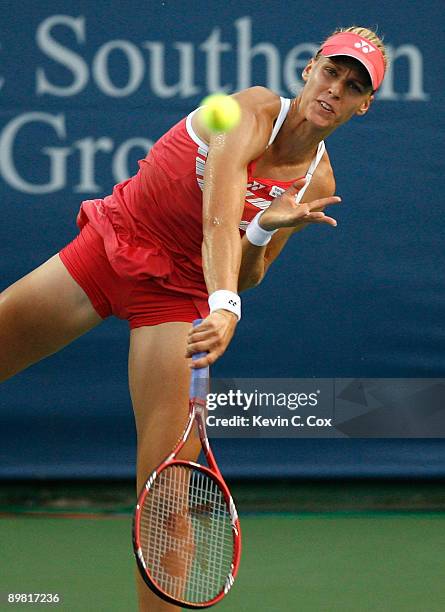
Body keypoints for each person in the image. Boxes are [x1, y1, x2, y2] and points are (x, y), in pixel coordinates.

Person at [0, 25, 387, 612]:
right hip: (115, 244)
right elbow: (218, 211)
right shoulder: (250, 109)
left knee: (168, 493)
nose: (336, 88)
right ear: (309, 68)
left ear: (364, 105)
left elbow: (251, 267)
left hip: (178, 297)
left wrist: (262, 230)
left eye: (353, 85)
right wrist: (227, 305)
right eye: (332, 71)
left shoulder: (318, 181)